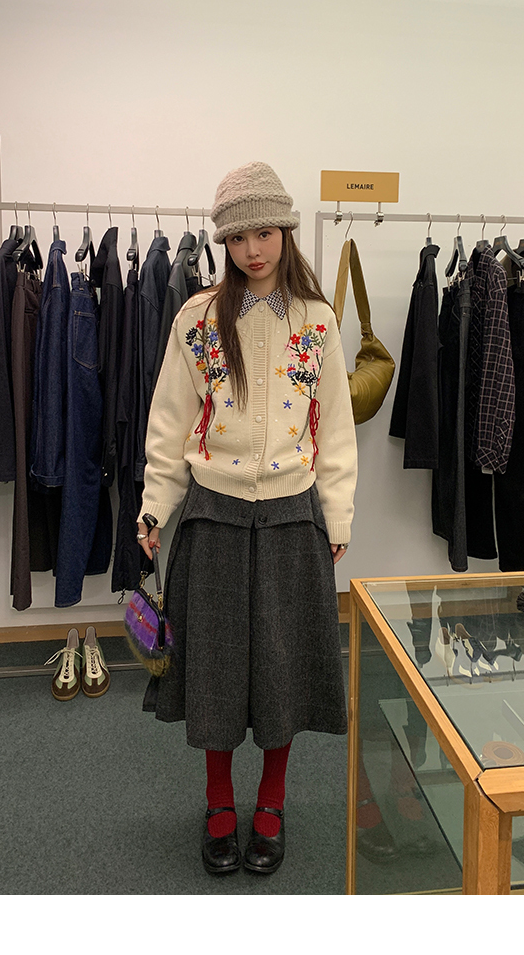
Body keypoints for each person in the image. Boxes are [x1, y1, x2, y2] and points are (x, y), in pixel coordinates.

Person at [137, 161, 357, 877]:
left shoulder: (316, 322)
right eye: (237, 238)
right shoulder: (198, 320)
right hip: (214, 516)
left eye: (263, 233)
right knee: (215, 671)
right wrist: (154, 506)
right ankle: (218, 802)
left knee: (282, 669)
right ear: (224, 243)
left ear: (285, 232)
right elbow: (169, 424)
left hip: (293, 517)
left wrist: (337, 517)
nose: (252, 250)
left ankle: (271, 800)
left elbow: (336, 429)